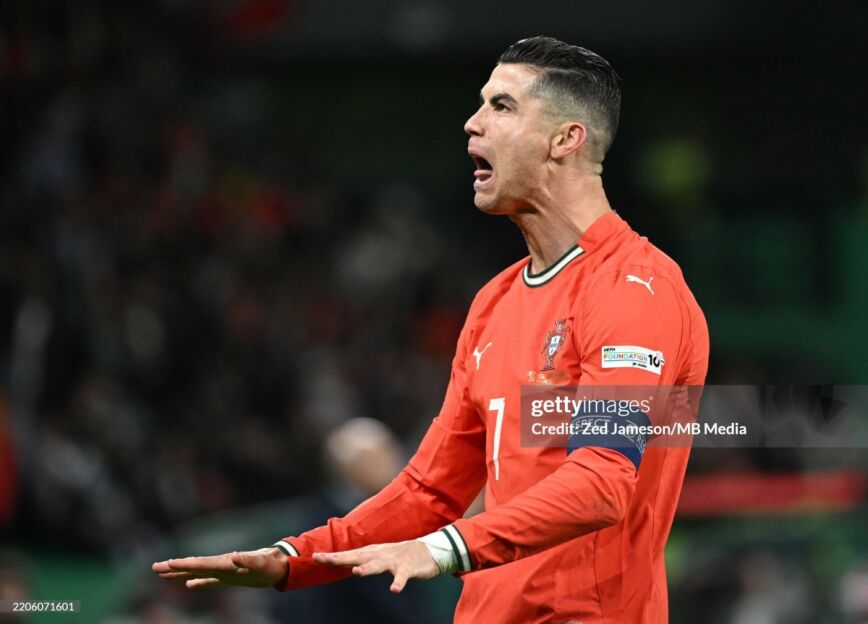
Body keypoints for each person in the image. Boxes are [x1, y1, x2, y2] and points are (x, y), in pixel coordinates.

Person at [153, 36, 710, 623]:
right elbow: (430, 491)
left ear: (565, 140)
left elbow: (601, 483)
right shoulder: (494, 303)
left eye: (502, 106)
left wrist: (439, 549)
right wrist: (296, 557)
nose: (472, 123)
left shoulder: (635, 289)